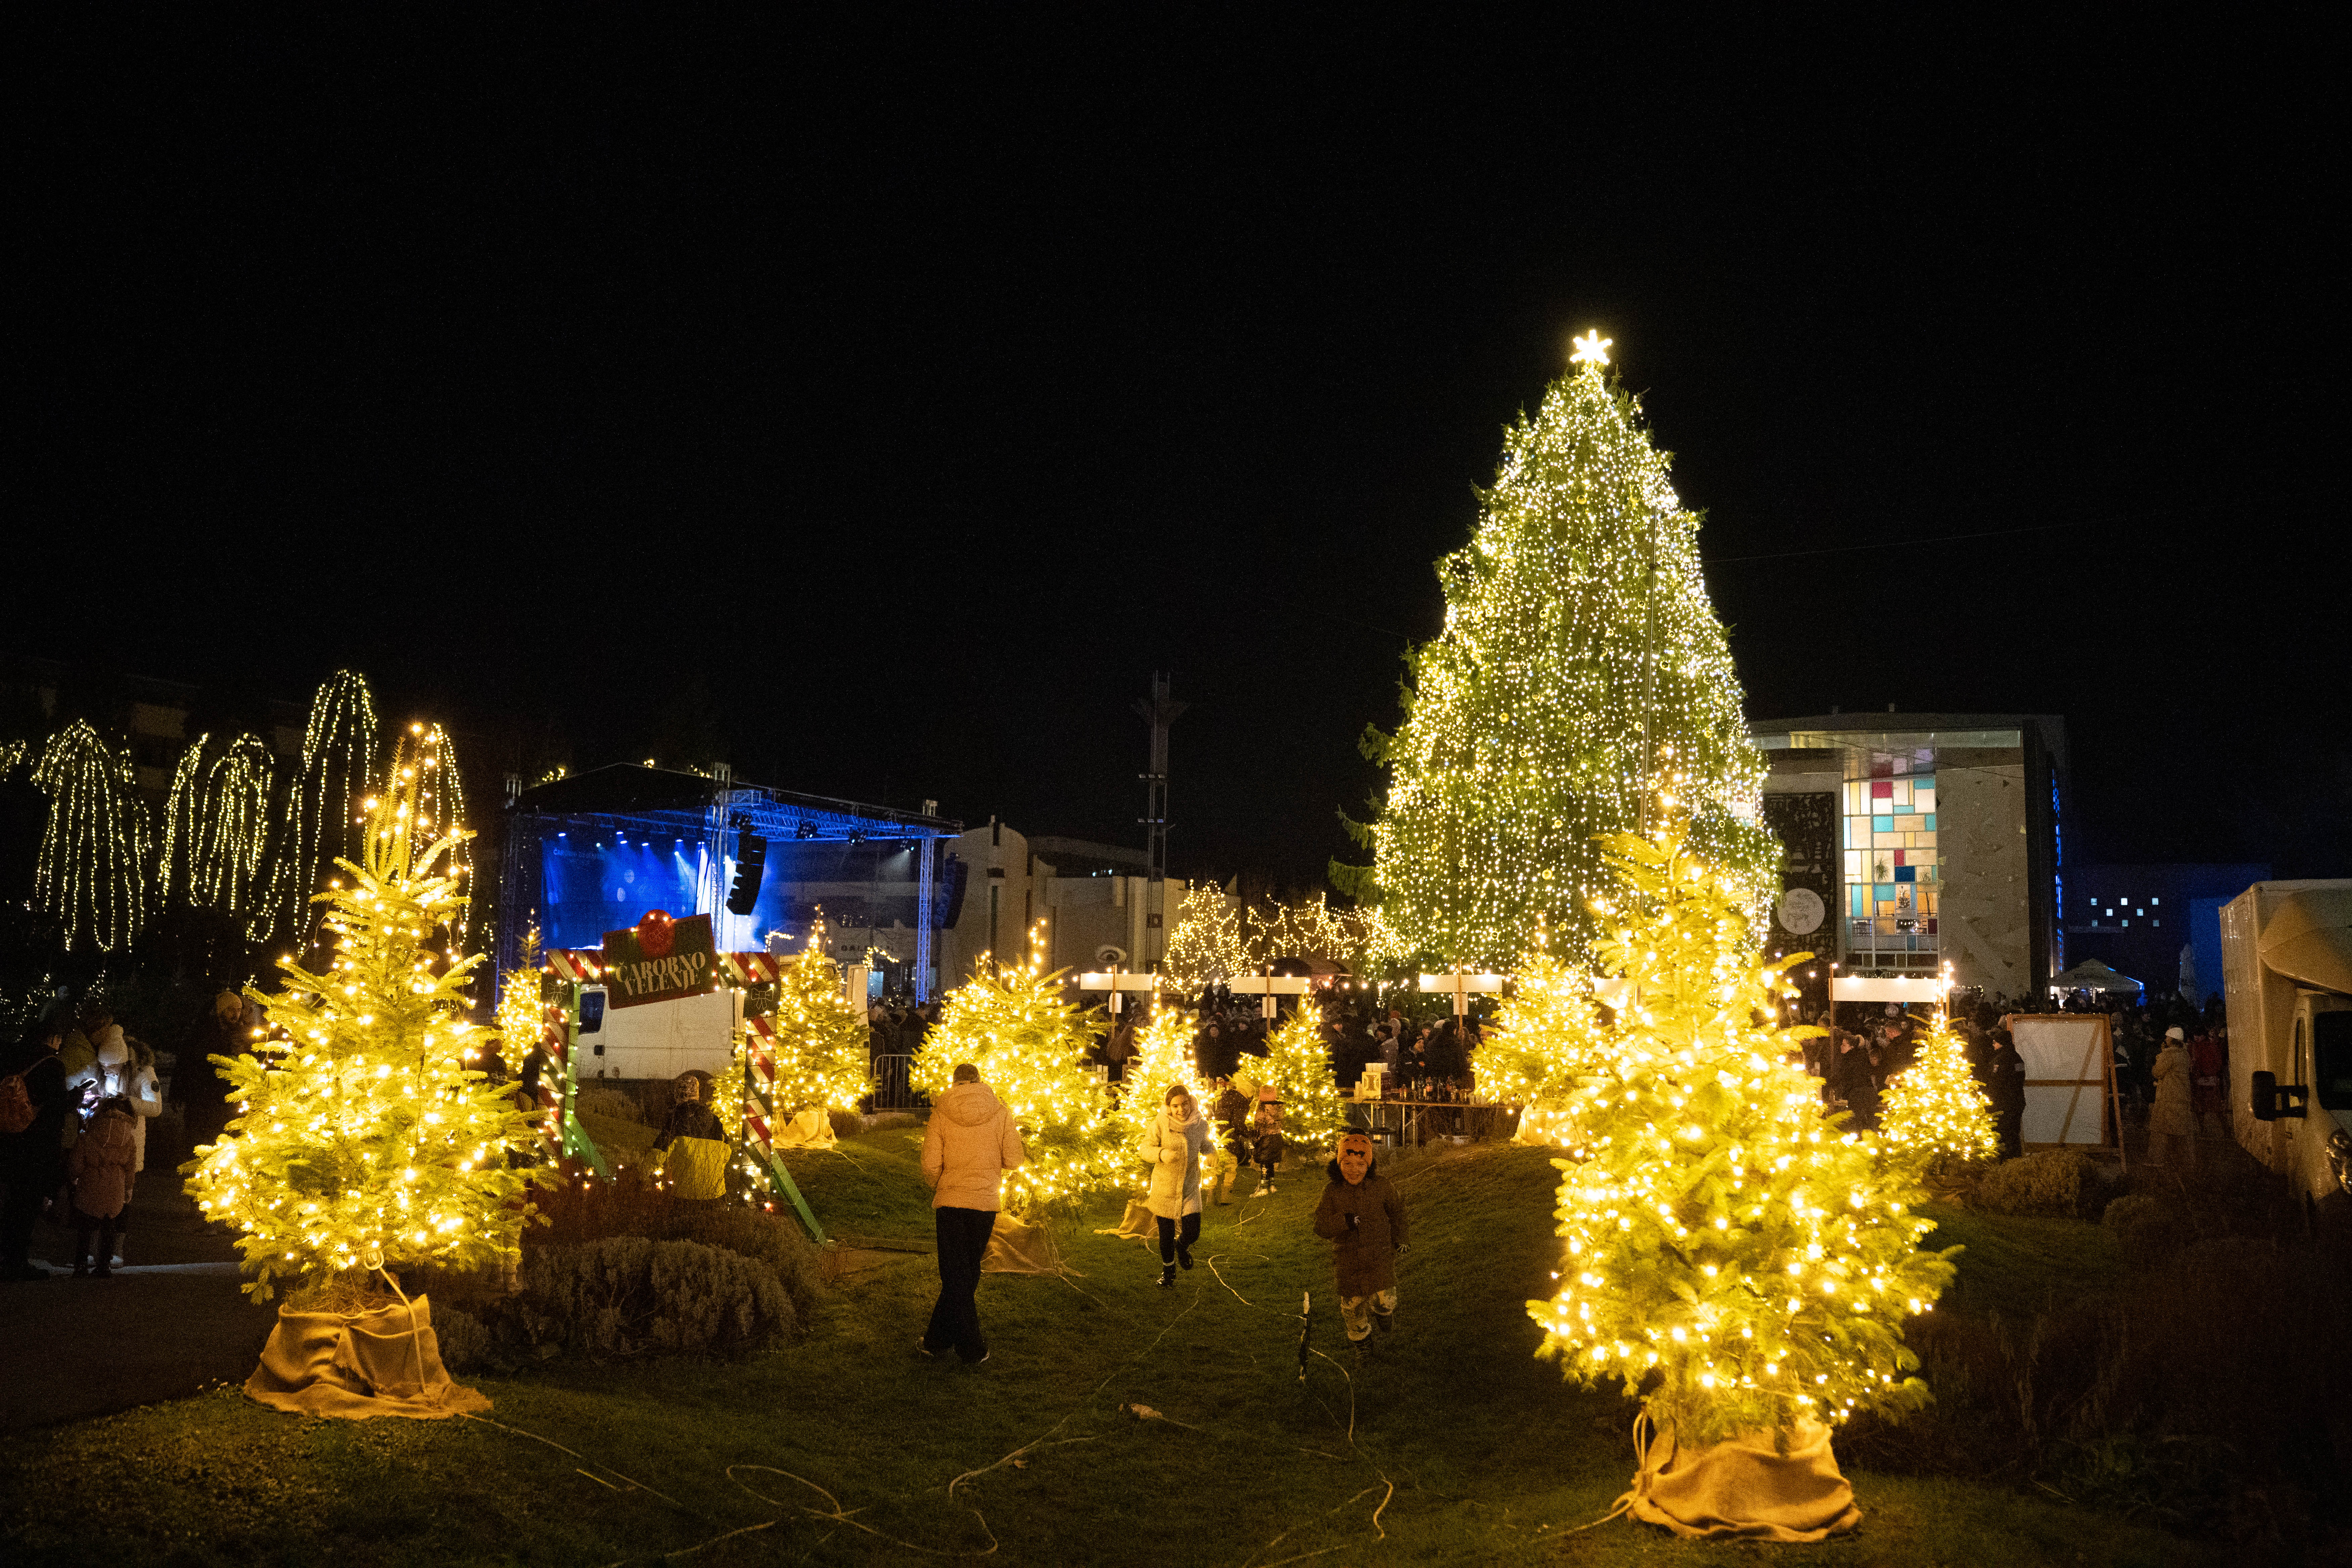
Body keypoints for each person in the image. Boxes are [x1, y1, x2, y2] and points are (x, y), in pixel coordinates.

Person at [918, 1063, 1026, 1363]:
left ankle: (961, 1345)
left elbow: (929, 1163)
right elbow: (1015, 1159)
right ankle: (949, 1342)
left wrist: (940, 1185)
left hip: (951, 1202)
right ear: (979, 1080)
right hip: (984, 1203)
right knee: (966, 1272)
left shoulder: (941, 1112)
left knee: (956, 1274)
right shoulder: (1000, 1111)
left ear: (954, 1082)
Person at [1312, 1131, 1408, 1345]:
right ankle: (1363, 1343)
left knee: (1386, 1299)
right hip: (1348, 1261)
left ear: (1369, 1166)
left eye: (1360, 1165)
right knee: (1352, 1307)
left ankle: (1384, 1313)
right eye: (1348, 1164)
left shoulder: (1382, 1187)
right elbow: (1320, 1226)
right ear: (1339, 1165)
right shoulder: (1333, 1192)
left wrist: (1401, 1237)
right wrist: (1343, 1222)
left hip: (1379, 1255)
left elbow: (1397, 1212)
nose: (1354, 1170)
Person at [1, 1027, 71, 1281]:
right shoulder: (52, 1065)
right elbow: (55, 1110)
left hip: (10, 1139)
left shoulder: (14, 1057)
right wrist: (73, 1099)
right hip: (36, 1146)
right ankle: (16, 1262)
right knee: (27, 1205)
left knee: (12, 1202)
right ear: (55, 1038)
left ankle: (6, 1257)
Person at [1143, 1083, 1213, 1286]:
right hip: (1165, 1187)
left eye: (1184, 1104)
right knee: (1165, 1235)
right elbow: (1145, 1149)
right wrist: (1162, 1154)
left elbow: (1205, 1144)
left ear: (1190, 1103)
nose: (1181, 1110)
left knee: (1193, 1231)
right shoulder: (1160, 1124)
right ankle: (1168, 1273)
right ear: (1169, 1107)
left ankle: (1181, 1246)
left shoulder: (1200, 1124)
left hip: (1190, 1187)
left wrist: (1211, 1153)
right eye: (1175, 1106)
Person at [68, 1095, 140, 1277]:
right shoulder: (129, 1138)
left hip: (91, 1185)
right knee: (109, 1227)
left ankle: (81, 1264)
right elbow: (131, 1167)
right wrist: (129, 1187)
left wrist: (73, 1177)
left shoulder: (90, 1133)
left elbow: (77, 1163)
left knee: (85, 1228)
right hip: (115, 1187)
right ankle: (104, 1265)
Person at [652, 1074, 728, 1199]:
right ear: (697, 1093)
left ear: (678, 1094)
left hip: (685, 1195)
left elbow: (658, 1155)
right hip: (716, 1194)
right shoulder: (714, 1121)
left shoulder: (675, 1120)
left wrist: (642, 1173)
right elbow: (726, 1155)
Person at [2149, 1026, 2197, 1168]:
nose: (2166, 1039)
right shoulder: (2184, 1055)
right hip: (2182, 1096)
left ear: (2173, 1040)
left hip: (2168, 1097)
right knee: (2184, 1131)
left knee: (2160, 1129)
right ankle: (2189, 1161)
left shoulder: (2168, 1055)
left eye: (2168, 1037)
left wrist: (2161, 1055)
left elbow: (2157, 1072)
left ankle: (2156, 1160)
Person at [1209, 1074, 1252, 1205]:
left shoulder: (1226, 1097)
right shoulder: (1242, 1102)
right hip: (1230, 1137)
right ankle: (1226, 1196)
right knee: (1230, 1166)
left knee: (1215, 1166)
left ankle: (1210, 1197)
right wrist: (1248, 1134)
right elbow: (1238, 1123)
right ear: (1248, 1095)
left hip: (1217, 1135)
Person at [1984, 1028, 2026, 1159]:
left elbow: (1995, 1082)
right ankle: (2016, 1160)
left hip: (2003, 1104)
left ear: (2001, 1043)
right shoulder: (2017, 1057)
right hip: (2017, 1102)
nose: (1993, 1044)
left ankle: (2004, 1161)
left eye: (1995, 1042)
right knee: (2014, 1133)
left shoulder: (2001, 1060)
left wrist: (1989, 1100)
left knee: (2002, 1133)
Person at [2189, 1026, 2226, 1136]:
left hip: (2202, 1080)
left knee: (2202, 1107)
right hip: (2209, 1080)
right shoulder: (2209, 1046)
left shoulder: (2197, 1047)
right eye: (2195, 1035)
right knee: (2215, 1108)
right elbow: (2218, 1063)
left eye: (2198, 1035)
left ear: (2203, 1036)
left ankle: (2202, 1130)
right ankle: (2224, 1130)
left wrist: (2203, 1073)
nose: (2196, 1037)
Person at [1250, 1093, 1285, 1195]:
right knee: (1271, 1162)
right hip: (1277, 1137)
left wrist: (1255, 1140)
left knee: (1264, 1163)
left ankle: (1263, 1188)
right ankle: (1272, 1185)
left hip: (1266, 1138)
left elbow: (1259, 1126)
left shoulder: (1262, 1108)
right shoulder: (1279, 1107)